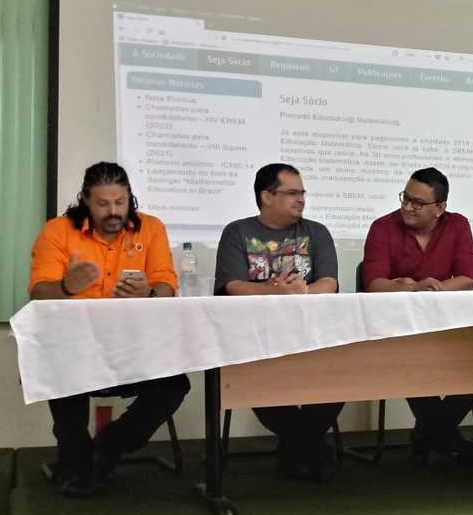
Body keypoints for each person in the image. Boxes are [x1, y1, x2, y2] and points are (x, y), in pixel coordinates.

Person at [28, 162, 190, 497]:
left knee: (175, 384)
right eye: (103, 204)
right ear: (85, 199)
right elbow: (38, 293)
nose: (114, 211)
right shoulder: (58, 231)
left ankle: (109, 446)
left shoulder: (151, 228)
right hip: (75, 346)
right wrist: (67, 287)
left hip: (134, 347)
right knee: (62, 370)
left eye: (121, 201)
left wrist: (149, 292)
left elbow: (167, 286)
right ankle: (76, 458)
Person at [214, 163, 342, 481]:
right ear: (266, 196)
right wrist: (274, 291)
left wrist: (303, 291)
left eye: (302, 192)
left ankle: (296, 446)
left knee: (342, 374)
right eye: (292, 193)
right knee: (255, 378)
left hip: (313, 335)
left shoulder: (317, 232)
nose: (301, 199)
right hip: (256, 337)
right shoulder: (238, 232)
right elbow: (233, 287)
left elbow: (330, 283)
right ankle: (307, 446)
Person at [362, 167, 473, 465]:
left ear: (440, 208)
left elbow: (469, 277)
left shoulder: (457, 225)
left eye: (418, 202)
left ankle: (429, 432)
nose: (407, 207)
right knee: (409, 362)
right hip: (396, 329)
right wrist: (414, 289)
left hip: (445, 324)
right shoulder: (383, 227)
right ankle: (445, 437)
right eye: (406, 198)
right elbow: (374, 284)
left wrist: (435, 288)